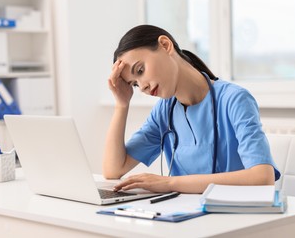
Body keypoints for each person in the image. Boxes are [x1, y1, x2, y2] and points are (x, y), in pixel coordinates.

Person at [104, 24, 280, 194]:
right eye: (134, 84)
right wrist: (122, 104)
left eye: (140, 70)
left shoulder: (234, 100)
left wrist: (170, 183)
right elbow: (113, 170)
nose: (142, 87)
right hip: (184, 216)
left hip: (234, 216)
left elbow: (263, 177)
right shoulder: (164, 111)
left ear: (165, 45)